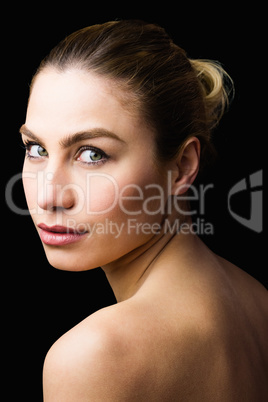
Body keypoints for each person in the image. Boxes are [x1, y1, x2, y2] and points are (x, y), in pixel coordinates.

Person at [21, 20, 268, 401]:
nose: (49, 195)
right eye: (36, 149)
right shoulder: (258, 301)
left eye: (92, 154)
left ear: (182, 166)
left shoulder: (96, 355)